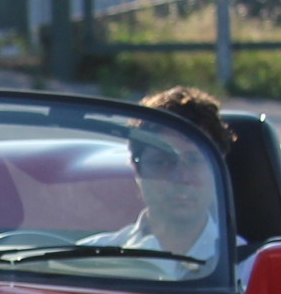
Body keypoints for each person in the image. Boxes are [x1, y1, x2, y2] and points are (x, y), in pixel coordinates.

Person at [83, 86, 232, 260]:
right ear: (136, 169)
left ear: (218, 169)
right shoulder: (90, 261)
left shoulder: (251, 268)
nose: (181, 177)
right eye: (162, 162)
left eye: (195, 160)